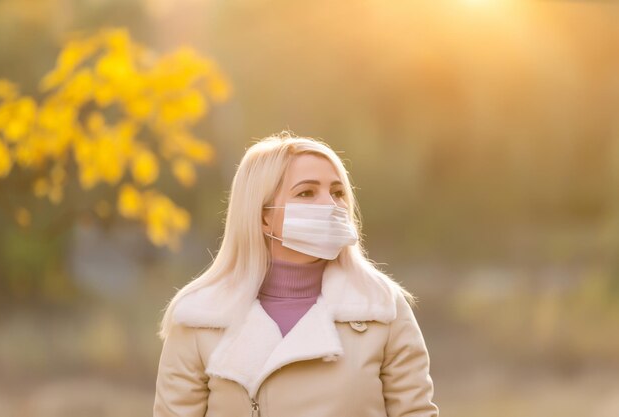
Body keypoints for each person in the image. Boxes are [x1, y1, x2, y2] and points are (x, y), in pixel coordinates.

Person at [153, 131, 439, 417]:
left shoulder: (383, 308)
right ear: (264, 215)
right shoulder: (197, 317)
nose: (331, 204)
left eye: (337, 192)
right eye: (306, 193)